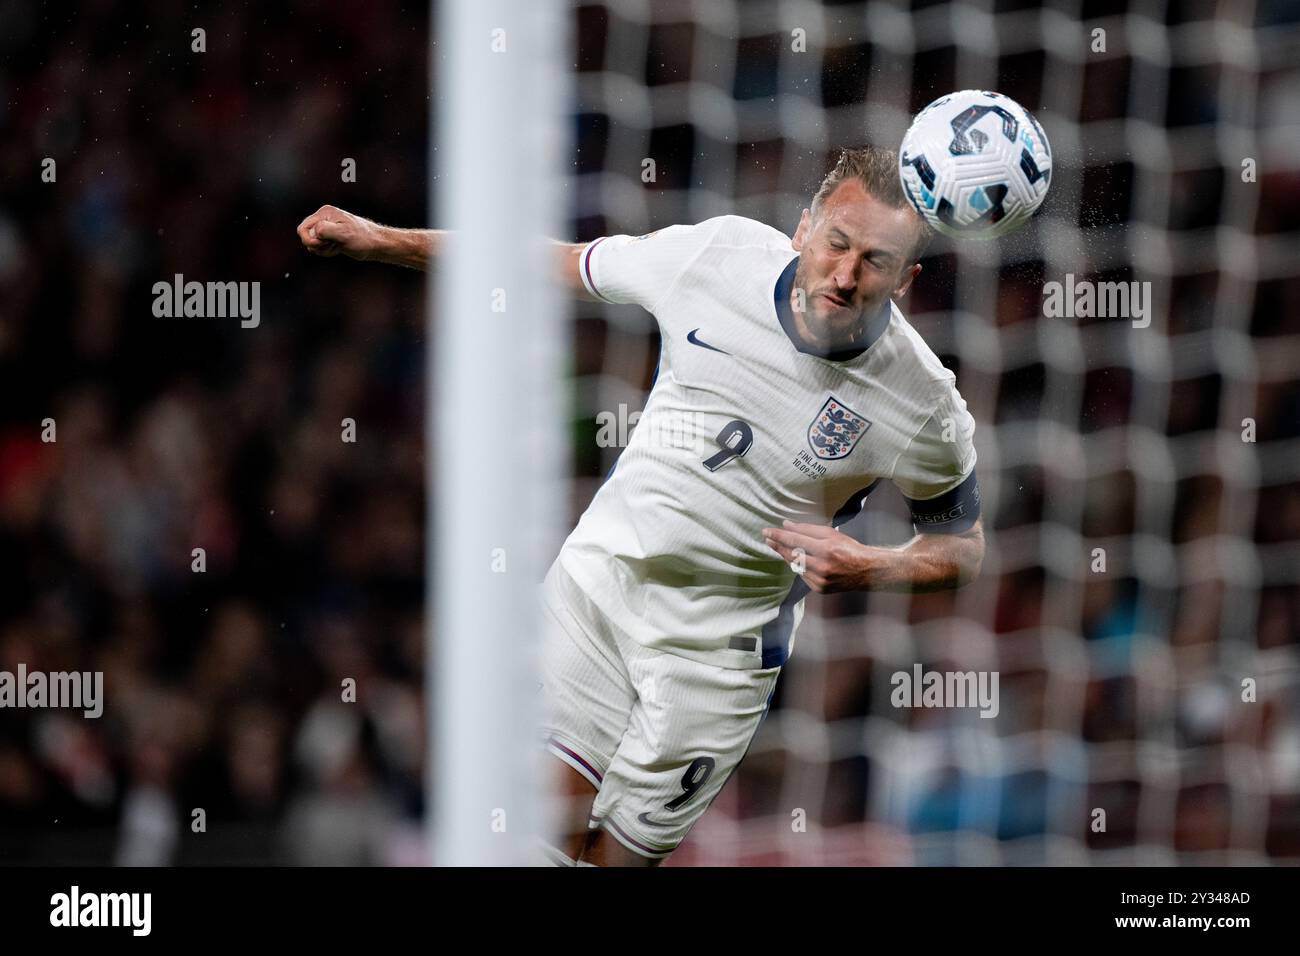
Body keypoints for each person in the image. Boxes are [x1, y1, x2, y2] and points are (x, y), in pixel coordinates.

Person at [297, 145, 985, 866]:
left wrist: (873, 566)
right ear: (803, 228)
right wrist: (380, 240)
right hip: (599, 592)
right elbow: (546, 262)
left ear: (905, 280)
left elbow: (962, 547)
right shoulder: (715, 257)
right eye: (837, 244)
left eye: (874, 261)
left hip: (718, 659)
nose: (845, 275)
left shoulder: (922, 401)